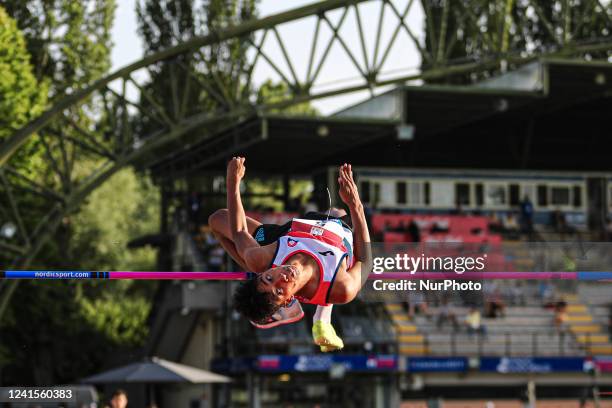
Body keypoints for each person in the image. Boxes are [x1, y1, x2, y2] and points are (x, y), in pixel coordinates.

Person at [208, 157, 371, 352]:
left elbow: (240, 231)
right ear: (286, 300)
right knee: (338, 212)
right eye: (279, 291)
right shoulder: (341, 287)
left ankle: (260, 282)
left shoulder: (263, 260)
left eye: (269, 278)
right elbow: (366, 261)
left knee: (217, 220)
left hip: (289, 234)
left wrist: (232, 183)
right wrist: (356, 206)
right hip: (336, 232)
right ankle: (317, 316)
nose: (282, 278)